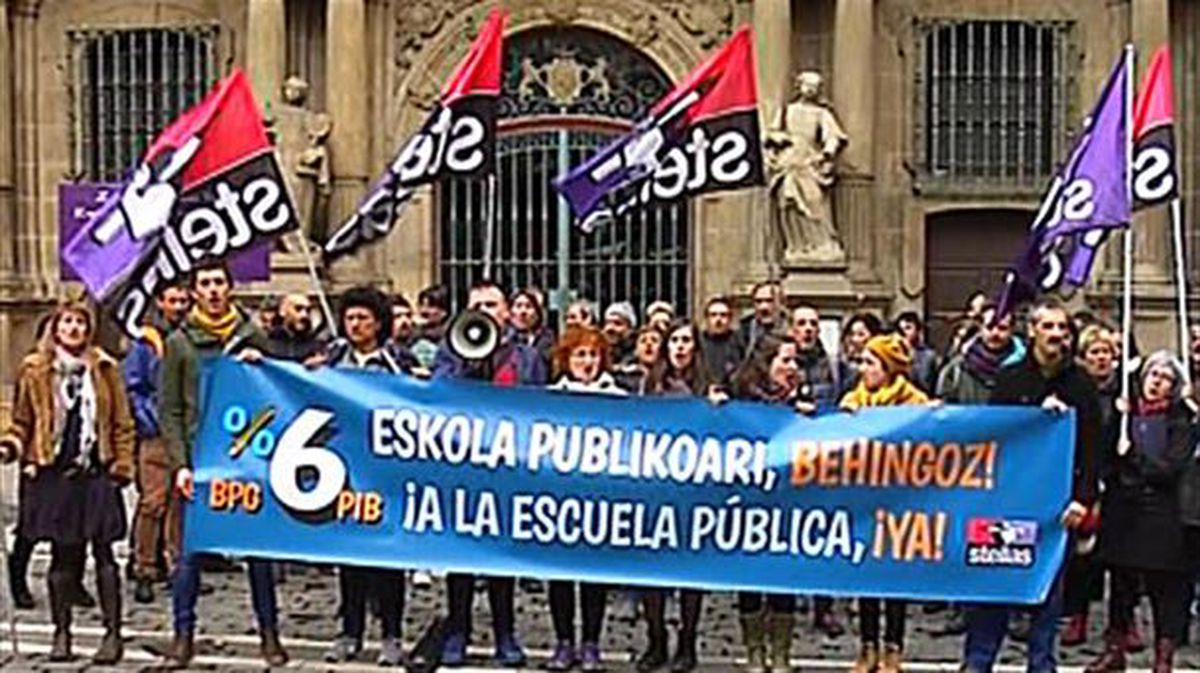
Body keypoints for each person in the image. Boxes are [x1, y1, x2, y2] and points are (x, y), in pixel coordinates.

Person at [961, 300, 1102, 673]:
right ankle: (978, 661)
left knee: (1047, 594)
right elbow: (995, 436)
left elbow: (1092, 447)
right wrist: (1036, 415)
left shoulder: (1081, 384)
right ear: (1033, 331)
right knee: (994, 586)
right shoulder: (1011, 379)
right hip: (1010, 502)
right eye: (1049, 327)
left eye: (1063, 329)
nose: (1057, 335)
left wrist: (1083, 499)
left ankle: (1042, 664)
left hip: (1057, 509)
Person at [159, 258, 287, 668]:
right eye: (205, 284)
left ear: (230, 288)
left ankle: (270, 634)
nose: (213, 291)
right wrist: (180, 463)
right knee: (190, 556)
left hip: (245, 458)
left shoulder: (252, 334)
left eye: (219, 283)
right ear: (195, 292)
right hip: (200, 460)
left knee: (258, 553)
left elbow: (279, 391)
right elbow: (171, 409)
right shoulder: (179, 343)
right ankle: (183, 635)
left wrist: (261, 363)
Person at [0, 299, 135, 664]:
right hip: (56, 475)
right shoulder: (35, 370)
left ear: (88, 329)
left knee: (105, 554)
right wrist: (10, 447)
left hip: (96, 471)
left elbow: (122, 423)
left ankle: (112, 633)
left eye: (80, 323)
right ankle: (62, 633)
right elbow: (22, 422)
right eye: (67, 323)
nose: (74, 329)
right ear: (55, 328)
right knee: (62, 557)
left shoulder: (105, 368)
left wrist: (122, 465)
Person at [435, 279, 547, 667]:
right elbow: (440, 395)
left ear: (505, 312)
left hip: (506, 473)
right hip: (464, 471)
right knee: (460, 556)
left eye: (492, 304)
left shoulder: (525, 357)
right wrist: (469, 360)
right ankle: (458, 630)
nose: (485, 310)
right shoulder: (451, 350)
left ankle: (505, 632)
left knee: (502, 558)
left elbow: (539, 407)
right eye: (477, 304)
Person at [314, 287, 411, 667]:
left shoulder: (396, 361)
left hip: (385, 472)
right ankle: (349, 632)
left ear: (378, 323)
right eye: (350, 318)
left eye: (363, 318)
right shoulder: (333, 358)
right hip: (343, 471)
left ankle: (391, 633)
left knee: (387, 557)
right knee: (349, 556)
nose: (355, 325)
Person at [1086, 352, 1195, 673]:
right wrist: (1112, 425)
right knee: (1121, 584)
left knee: (1166, 589)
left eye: (1165, 379)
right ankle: (1114, 649)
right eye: (1153, 376)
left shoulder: (1181, 421)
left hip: (1163, 513)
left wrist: (1133, 455)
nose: (1156, 383)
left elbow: (1170, 468)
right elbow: (1103, 456)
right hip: (1124, 510)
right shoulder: (1125, 415)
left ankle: (1163, 657)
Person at [841, 333, 933, 673]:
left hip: (900, 502)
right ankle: (867, 647)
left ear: (888, 367)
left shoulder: (915, 403)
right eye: (862, 361)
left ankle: (894, 649)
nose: (863, 369)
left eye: (870, 362)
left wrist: (935, 417)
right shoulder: (854, 400)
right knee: (865, 578)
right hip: (864, 501)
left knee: (894, 579)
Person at [637, 320, 726, 672]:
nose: (680, 347)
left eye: (686, 340)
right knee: (652, 573)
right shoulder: (650, 386)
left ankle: (687, 641)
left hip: (694, 495)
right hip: (656, 493)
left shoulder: (708, 387)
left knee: (690, 572)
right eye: (674, 340)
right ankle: (656, 640)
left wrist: (720, 410)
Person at [933, 304, 1024, 635]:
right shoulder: (958, 369)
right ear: (980, 329)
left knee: (1010, 535)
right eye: (991, 326)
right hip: (967, 465)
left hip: (1012, 464)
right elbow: (942, 407)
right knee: (963, 533)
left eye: (1003, 326)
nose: (996, 333)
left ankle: (1015, 606)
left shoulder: (1025, 369)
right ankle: (962, 605)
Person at [544, 325, 627, 671]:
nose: (587, 362)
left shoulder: (619, 398)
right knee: (559, 575)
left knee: (594, 575)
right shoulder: (549, 398)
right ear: (566, 359)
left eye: (593, 355)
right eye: (580, 355)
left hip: (599, 499)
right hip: (559, 499)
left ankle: (591, 642)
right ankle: (564, 642)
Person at [731, 335, 809, 672]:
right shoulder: (741, 396)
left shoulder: (801, 398)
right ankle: (754, 652)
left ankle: (781, 655)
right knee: (750, 576)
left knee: (783, 574)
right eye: (786, 360)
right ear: (766, 362)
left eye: (795, 361)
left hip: (787, 501)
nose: (793, 368)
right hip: (749, 501)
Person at [124, 280, 190, 605]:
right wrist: (149, 421)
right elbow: (133, 386)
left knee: (180, 503)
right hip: (156, 433)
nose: (178, 306)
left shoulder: (191, 338)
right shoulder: (146, 343)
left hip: (186, 431)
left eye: (183, 300)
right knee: (153, 501)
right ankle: (144, 567)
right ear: (160, 303)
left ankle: (178, 565)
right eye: (173, 300)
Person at [785, 305, 846, 638]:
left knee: (822, 537)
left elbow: (848, 404)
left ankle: (823, 609)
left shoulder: (835, 367)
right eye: (801, 323)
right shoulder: (780, 363)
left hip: (823, 463)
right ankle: (788, 605)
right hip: (788, 463)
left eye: (813, 323)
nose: (808, 329)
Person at [700, 295, 745, 387]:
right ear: (706, 318)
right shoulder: (697, 342)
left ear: (730, 318)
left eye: (723, 315)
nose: (718, 319)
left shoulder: (740, 342)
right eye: (713, 315)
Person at [266, 292, 324, 362]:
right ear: (283, 311)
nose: (304, 315)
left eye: (308, 310)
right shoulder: (268, 341)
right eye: (298, 309)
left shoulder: (316, 345)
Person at [838, 312, 884, 397]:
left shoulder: (884, 365)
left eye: (861, 334)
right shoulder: (842, 365)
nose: (855, 339)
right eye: (852, 334)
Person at [894, 311, 941, 393]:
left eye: (908, 328)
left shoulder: (929, 355)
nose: (904, 333)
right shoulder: (893, 353)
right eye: (900, 330)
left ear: (918, 329)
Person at [739, 281, 786, 356]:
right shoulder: (744, 331)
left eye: (770, 301)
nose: (763, 307)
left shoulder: (793, 329)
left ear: (782, 302)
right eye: (758, 301)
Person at [511, 288, 555, 367]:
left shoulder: (548, 338)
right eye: (518, 306)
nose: (523, 311)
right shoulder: (503, 339)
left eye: (528, 306)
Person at [411, 284, 451, 368]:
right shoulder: (412, 332)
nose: (424, 310)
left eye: (431, 306)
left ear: (444, 311)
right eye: (421, 304)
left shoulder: (451, 337)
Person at [615, 325, 663, 392]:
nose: (648, 344)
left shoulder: (668, 379)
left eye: (654, 340)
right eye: (643, 341)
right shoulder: (621, 379)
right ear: (636, 351)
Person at [603, 301, 638, 366]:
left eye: (617, 323)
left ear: (630, 330)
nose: (610, 328)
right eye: (607, 323)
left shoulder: (638, 358)